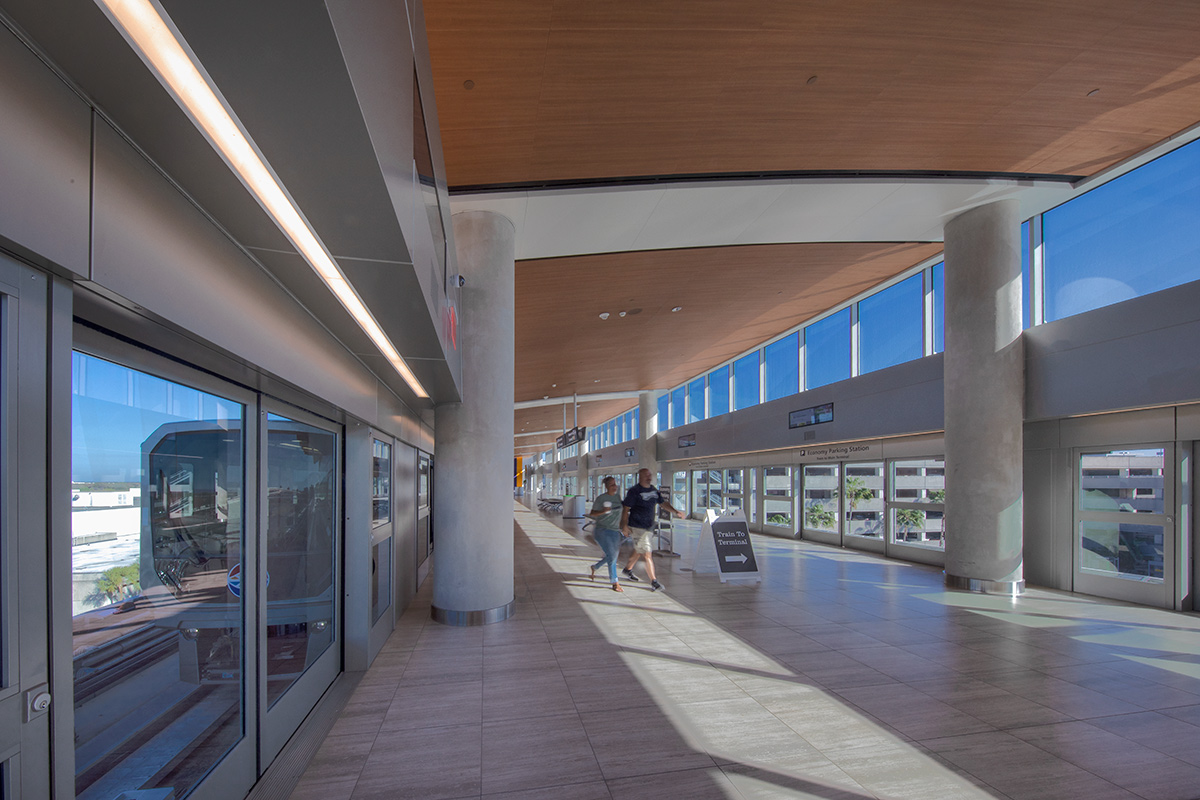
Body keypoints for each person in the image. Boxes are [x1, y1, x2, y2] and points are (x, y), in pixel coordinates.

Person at [620, 468, 685, 591]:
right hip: (637, 526)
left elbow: (662, 503)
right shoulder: (634, 491)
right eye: (646, 475)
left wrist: (676, 511)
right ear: (640, 477)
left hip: (649, 526)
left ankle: (627, 569)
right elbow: (626, 509)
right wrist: (624, 525)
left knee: (639, 550)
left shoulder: (653, 490)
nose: (649, 477)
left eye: (650, 475)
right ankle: (654, 581)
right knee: (647, 553)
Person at [587, 476, 625, 591]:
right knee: (612, 556)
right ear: (607, 486)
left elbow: (623, 512)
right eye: (612, 485)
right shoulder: (601, 498)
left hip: (614, 531)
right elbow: (592, 513)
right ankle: (615, 582)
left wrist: (625, 526)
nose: (615, 486)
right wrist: (603, 511)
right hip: (602, 530)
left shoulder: (618, 497)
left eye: (615, 484)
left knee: (612, 556)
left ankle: (595, 567)